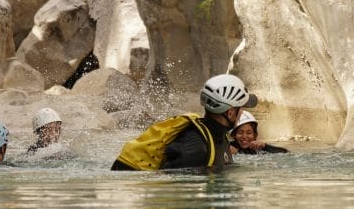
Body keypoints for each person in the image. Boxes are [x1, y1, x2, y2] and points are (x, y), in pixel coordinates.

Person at [111, 73, 258, 171]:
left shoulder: (219, 136)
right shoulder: (196, 148)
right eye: (241, 109)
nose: (242, 114)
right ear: (230, 112)